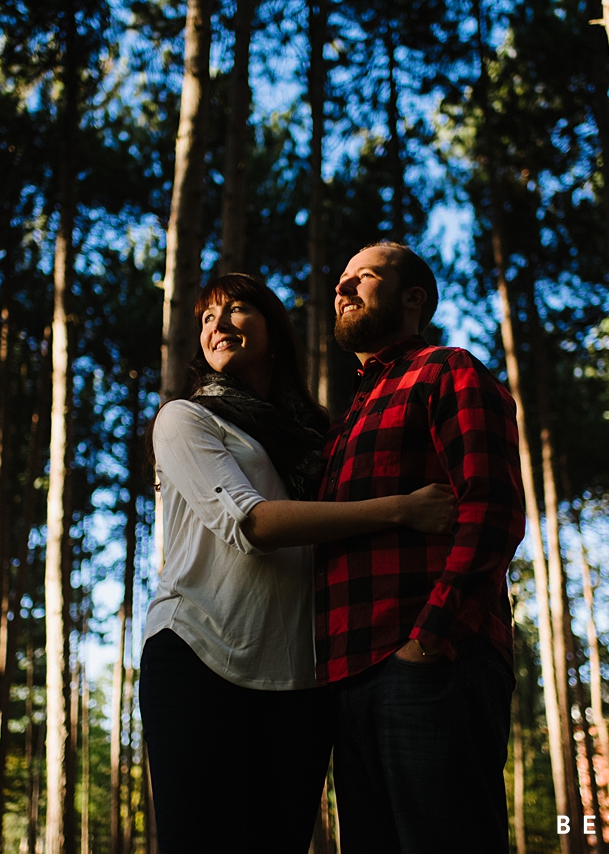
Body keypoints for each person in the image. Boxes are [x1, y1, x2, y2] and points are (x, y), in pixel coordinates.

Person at [138, 272, 456, 854]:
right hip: (198, 654)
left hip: (299, 678)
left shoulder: (319, 437)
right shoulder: (186, 419)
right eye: (207, 318)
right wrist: (402, 510)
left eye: (235, 311)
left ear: (274, 329)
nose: (218, 326)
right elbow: (253, 523)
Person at [315, 242, 526, 853]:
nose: (343, 288)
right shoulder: (346, 419)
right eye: (340, 280)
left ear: (413, 299)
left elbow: (493, 512)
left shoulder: (447, 370)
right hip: (346, 677)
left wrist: (428, 638)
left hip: (435, 663)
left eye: (363, 277)